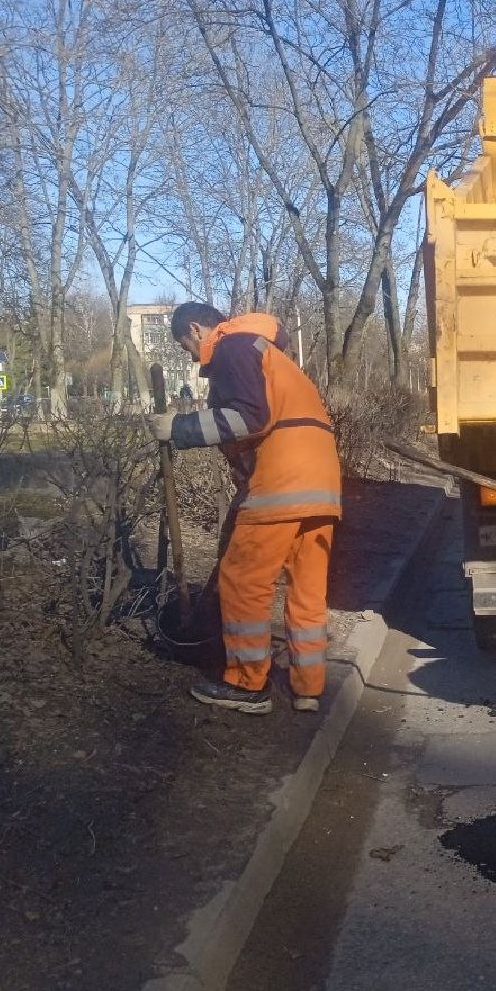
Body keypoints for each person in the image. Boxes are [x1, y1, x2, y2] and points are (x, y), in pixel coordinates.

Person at [147, 302, 342, 715]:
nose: (191, 355)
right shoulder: (266, 351)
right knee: (306, 589)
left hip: (282, 482)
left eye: (186, 347)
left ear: (197, 329)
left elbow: (249, 418)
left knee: (242, 580)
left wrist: (177, 428)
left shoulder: (232, 346)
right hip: (321, 484)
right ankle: (308, 688)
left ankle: (247, 685)